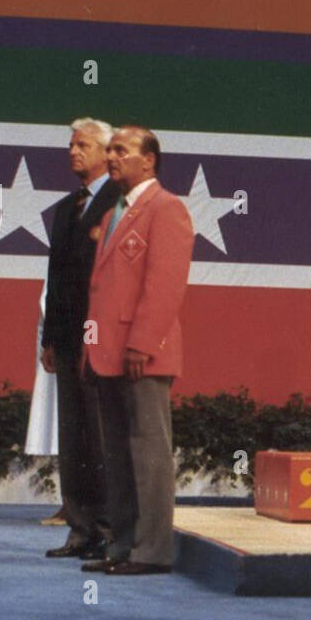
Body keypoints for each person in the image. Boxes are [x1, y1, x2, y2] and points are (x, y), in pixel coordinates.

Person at [82, 125, 194, 576]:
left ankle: (152, 550)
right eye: (109, 149)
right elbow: (100, 291)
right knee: (120, 455)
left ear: (148, 160)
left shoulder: (167, 209)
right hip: (105, 354)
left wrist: (141, 344)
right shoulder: (112, 215)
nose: (111, 157)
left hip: (141, 354)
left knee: (148, 453)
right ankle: (123, 544)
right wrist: (89, 350)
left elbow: (165, 286)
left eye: (121, 150)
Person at [41, 118, 122, 559]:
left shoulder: (118, 202)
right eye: (71, 144)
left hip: (101, 339)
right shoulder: (63, 208)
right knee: (72, 436)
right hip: (68, 339)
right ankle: (80, 527)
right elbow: (57, 278)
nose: (74, 151)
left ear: (106, 153)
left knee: (100, 434)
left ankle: (110, 529)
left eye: (83, 145)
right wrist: (50, 338)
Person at [25, 282, 65, 525]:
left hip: (87, 353)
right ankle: (70, 504)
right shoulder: (58, 263)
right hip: (57, 352)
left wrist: (91, 346)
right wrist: (47, 346)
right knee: (64, 432)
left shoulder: (95, 255)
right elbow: (47, 314)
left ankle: (89, 507)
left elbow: (96, 316)